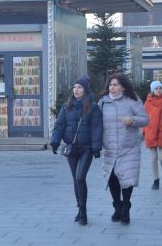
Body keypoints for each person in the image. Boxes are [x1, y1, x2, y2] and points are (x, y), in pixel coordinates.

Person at [50, 75, 102, 226]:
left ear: (85, 90)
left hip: (86, 148)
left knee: (80, 178)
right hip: (71, 148)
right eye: (75, 87)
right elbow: (60, 125)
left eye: (79, 87)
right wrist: (55, 141)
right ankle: (80, 209)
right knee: (75, 179)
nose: (76, 90)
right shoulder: (67, 107)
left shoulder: (92, 107)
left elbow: (97, 128)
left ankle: (84, 212)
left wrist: (97, 147)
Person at [99, 73, 148, 225]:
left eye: (115, 85)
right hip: (110, 148)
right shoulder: (103, 102)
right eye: (110, 85)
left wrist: (132, 120)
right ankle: (117, 205)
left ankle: (126, 207)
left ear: (122, 87)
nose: (112, 88)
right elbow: (95, 122)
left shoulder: (133, 100)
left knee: (127, 179)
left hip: (129, 147)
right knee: (112, 178)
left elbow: (146, 119)